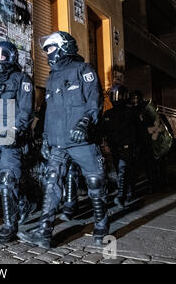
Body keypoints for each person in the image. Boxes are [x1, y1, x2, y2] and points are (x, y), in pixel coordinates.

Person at [18, 31, 108, 248]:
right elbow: (50, 111)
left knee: (95, 181)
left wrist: (86, 122)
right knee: (51, 184)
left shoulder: (83, 69)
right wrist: (46, 138)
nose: (47, 52)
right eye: (46, 49)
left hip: (82, 140)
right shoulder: (51, 77)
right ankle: (44, 233)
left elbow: (95, 99)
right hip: (58, 141)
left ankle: (101, 225)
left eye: (50, 48)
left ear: (64, 47)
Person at [0, 41, 35, 244]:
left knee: (7, 179)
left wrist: (15, 130)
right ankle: (23, 204)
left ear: (11, 57)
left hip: (12, 137)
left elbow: (26, 110)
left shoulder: (21, 79)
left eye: (2, 56)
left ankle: (9, 226)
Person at [103, 84, 141, 207]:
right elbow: (104, 131)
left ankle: (121, 196)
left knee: (123, 170)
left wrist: (134, 145)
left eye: (118, 95)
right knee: (121, 170)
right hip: (114, 147)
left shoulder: (130, 112)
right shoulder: (108, 114)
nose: (116, 98)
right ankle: (128, 193)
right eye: (114, 95)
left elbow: (137, 131)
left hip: (127, 146)